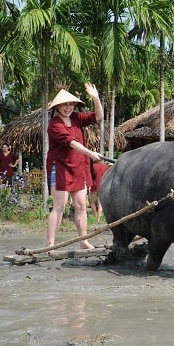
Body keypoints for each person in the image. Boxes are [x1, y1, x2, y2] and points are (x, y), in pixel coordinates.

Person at [46, 83, 104, 250]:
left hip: (78, 167)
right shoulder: (55, 125)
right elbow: (71, 143)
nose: (68, 107)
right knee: (60, 205)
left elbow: (98, 117)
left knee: (80, 204)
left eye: (71, 104)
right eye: (65, 104)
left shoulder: (77, 119)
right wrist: (91, 154)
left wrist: (96, 98)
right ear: (57, 106)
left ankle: (83, 241)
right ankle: (50, 244)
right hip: (61, 167)